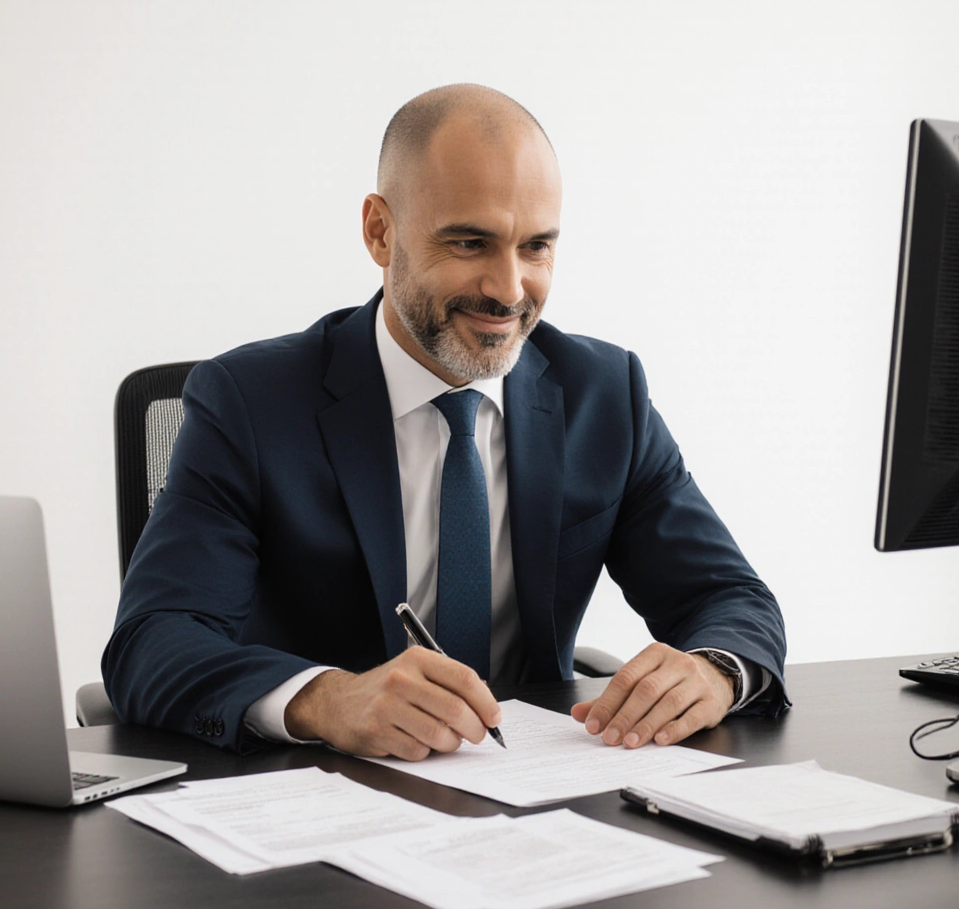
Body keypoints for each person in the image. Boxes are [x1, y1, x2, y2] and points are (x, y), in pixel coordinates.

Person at [103, 84, 788, 758]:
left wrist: (714, 669)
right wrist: (325, 698)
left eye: (536, 247)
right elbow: (153, 641)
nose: (509, 288)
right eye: (469, 243)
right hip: (324, 801)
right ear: (380, 230)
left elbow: (728, 597)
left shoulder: (605, 394)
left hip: (538, 797)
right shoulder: (249, 402)